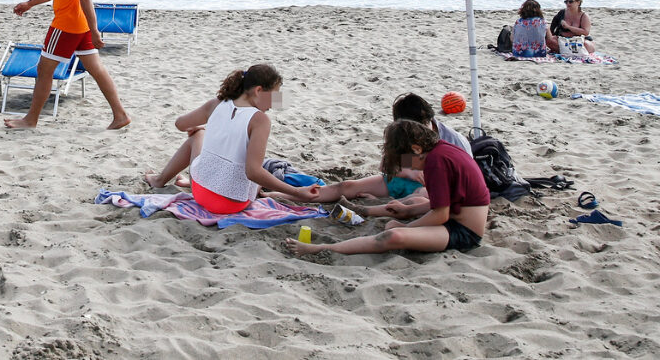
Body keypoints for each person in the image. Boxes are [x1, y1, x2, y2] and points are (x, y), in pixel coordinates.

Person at [286, 119, 489, 256]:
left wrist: (406, 227)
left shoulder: (436, 162)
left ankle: (322, 248)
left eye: (406, 161)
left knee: (393, 236)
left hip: (463, 232)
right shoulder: (440, 151)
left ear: (416, 149)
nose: (407, 167)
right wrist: (409, 210)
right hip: (455, 217)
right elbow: (444, 204)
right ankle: (368, 213)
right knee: (409, 206)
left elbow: (441, 215)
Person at [4, 0, 130, 130]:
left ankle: (30, 120)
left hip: (66, 26)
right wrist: (30, 3)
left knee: (44, 70)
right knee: (97, 69)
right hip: (79, 24)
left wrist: (95, 30)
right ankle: (120, 115)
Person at [142, 64, 311, 210]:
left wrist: (196, 126)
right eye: (274, 96)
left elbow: (180, 124)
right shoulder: (260, 120)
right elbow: (253, 173)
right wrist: (296, 192)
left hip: (201, 193)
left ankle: (160, 180)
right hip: (231, 204)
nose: (274, 104)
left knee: (199, 135)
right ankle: (176, 180)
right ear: (259, 91)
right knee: (256, 167)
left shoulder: (216, 104)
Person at [299, 92, 471, 219]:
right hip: (401, 180)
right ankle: (286, 194)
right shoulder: (402, 134)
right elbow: (386, 166)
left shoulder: (454, 142)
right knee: (347, 186)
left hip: (430, 190)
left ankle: (377, 205)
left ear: (425, 122)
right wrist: (409, 171)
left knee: (417, 198)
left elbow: (462, 185)